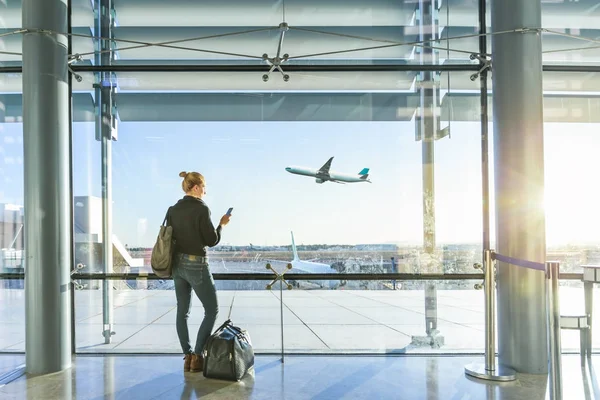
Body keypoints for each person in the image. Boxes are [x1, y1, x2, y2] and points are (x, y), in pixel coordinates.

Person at [168, 171, 231, 372]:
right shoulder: (202, 209)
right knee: (212, 310)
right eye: (204, 187)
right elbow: (211, 240)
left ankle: (187, 357)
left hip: (177, 265)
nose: (205, 190)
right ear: (195, 187)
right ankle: (197, 356)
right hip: (196, 264)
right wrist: (222, 224)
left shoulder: (172, 209)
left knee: (182, 311)